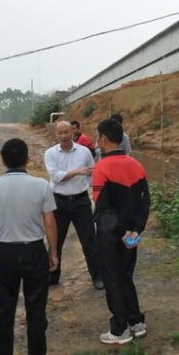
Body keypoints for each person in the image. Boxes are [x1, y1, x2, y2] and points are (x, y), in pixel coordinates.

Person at [0, 138, 58, 355]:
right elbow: (50, 223)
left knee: (4, 310)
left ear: (3, 160)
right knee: (36, 309)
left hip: (4, 252)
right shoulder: (42, 185)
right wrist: (53, 252)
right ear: (27, 159)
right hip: (34, 251)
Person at [92, 118, 149, 345]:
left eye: (98, 136)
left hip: (110, 236)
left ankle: (119, 329)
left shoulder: (102, 168)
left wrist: (116, 232)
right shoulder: (136, 165)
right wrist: (134, 230)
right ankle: (136, 322)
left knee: (113, 278)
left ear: (103, 138)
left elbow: (103, 207)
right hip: (131, 235)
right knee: (126, 276)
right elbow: (145, 203)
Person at [44, 121, 104, 289]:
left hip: (81, 201)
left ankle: (97, 276)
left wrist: (91, 183)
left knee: (89, 240)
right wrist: (78, 171)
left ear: (73, 132)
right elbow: (56, 177)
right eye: (60, 133)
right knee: (55, 241)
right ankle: (52, 275)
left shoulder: (84, 152)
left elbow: (92, 173)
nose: (63, 136)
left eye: (66, 132)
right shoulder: (50, 153)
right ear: (55, 134)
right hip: (58, 201)